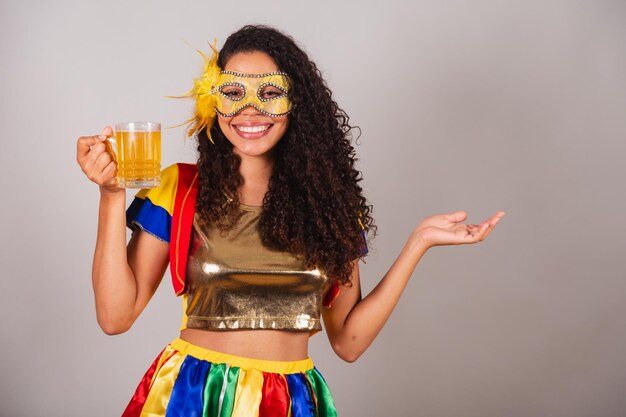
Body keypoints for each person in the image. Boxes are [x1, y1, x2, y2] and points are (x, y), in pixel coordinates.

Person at [76, 25, 505, 417]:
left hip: (294, 401)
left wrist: (419, 242)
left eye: (268, 94)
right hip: (194, 395)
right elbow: (115, 317)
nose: (249, 110)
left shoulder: (329, 206)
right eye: (232, 93)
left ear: (295, 102)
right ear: (213, 101)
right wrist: (112, 195)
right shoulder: (180, 188)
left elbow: (348, 342)